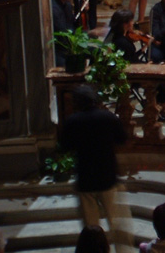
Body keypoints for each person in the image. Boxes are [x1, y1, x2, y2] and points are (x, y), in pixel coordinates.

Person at [59, 85, 132, 253]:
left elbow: (64, 146)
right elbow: (122, 139)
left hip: (86, 181)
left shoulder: (73, 121)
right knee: (118, 226)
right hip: (108, 178)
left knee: (91, 231)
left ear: (77, 103)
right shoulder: (108, 117)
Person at [51, 0, 78, 65]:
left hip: (70, 45)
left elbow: (72, 25)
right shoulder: (54, 9)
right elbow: (63, 32)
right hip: (59, 49)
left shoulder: (68, 5)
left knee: (96, 52)